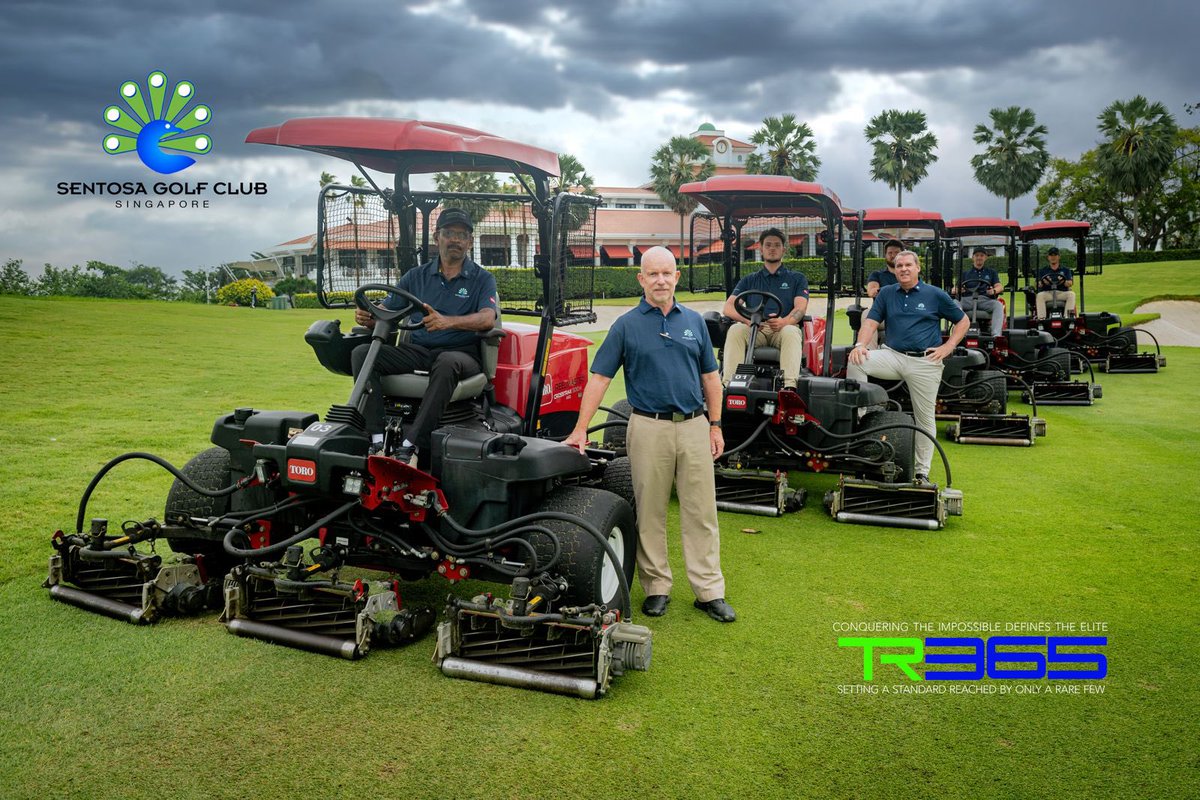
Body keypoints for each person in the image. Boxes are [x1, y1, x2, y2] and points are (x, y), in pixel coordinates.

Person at [564, 246, 734, 623]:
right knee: (651, 512)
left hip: (694, 425)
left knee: (701, 512)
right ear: (640, 279)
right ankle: (657, 587)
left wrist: (716, 424)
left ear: (677, 277)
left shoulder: (693, 322)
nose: (660, 280)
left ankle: (709, 591)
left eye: (666, 273)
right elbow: (600, 378)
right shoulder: (625, 325)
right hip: (647, 426)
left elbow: (711, 379)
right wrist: (579, 429)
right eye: (652, 274)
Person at [350, 208, 499, 463]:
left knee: (447, 362)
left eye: (462, 235)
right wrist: (369, 316)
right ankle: (375, 438)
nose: (456, 240)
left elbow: (488, 317)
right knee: (362, 353)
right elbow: (389, 308)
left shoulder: (481, 279)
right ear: (436, 237)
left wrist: (446, 322)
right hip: (419, 351)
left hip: (462, 355)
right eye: (450, 233)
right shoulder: (416, 277)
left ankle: (411, 446)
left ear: (470, 241)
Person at [847, 250, 969, 485]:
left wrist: (949, 346)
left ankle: (922, 472)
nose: (903, 269)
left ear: (917, 268)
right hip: (892, 355)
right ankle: (866, 416)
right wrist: (861, 344)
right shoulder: (886, 294)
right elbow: (871, 321)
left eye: (907, 265)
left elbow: (963, 320)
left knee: (924, 419)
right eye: (898, 265)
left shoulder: (935, 294)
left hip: (925, 362)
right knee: (857, 359)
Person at [720, 228, 809, 386]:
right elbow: (728, 308)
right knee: (735, 330)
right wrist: (747, 321)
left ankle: (789, 387)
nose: (772, 248)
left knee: (791, 332)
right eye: (768, 245)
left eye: (776, 245)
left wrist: (784, 322)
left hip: (781, 329)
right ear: (760, 249)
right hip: (755, 329)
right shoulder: (750, 280)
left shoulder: (796, 278)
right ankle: (728, 386)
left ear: (784, 249)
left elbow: (800, 308)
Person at [951, 246, 1006, 336]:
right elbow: (954, 290)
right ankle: (958, 332)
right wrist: (959, 290)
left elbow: (999, 286)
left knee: (998, 305)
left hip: (984, 300)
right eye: (977, 255)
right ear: (973, 257)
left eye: (981, 255)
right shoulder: (965, 273)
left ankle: (996, 335)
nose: (979, 257)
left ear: (985, 257)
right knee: (955, 302)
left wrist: (994, 290)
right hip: (968, 300)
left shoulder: (991, 272)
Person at [1035, 246, 1076, 318]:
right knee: (1039, 296)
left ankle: (1067, 317)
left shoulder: (1065, 270)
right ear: (1048, 257)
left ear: (1059, 257)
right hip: (1048, 293)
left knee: (1071, 294)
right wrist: (1042, 283)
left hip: (1061, 293)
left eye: (1055, 255)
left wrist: (1063, 281)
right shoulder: (1043, 270)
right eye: (1051, 255)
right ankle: (1042, 318)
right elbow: (1038, 284)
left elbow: (1070, 283)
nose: (1053, 257)